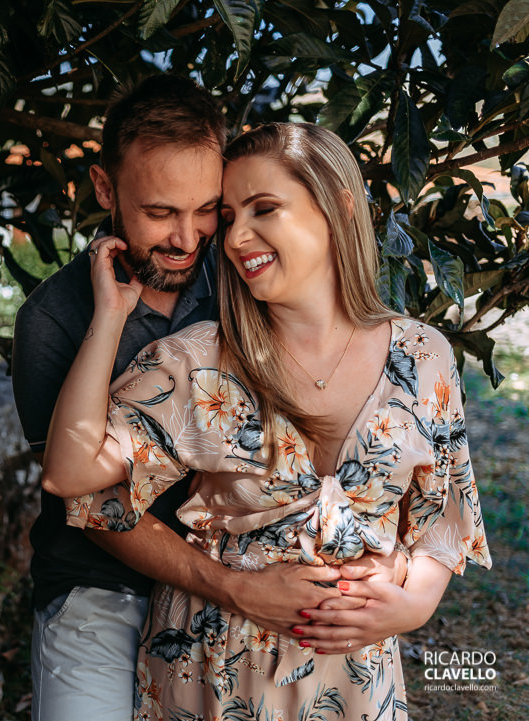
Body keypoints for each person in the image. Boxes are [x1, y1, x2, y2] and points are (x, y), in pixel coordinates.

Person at [41, 122, 491, 718]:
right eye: (229, 217)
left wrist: (416, 604)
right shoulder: (200, 359)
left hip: (357, 681)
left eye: (264, 209)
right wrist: (110, 317)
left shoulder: (422, 354)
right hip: (215, 673)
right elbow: (70, 476)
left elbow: (442, 516)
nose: (234, 238)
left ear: (339, 207)